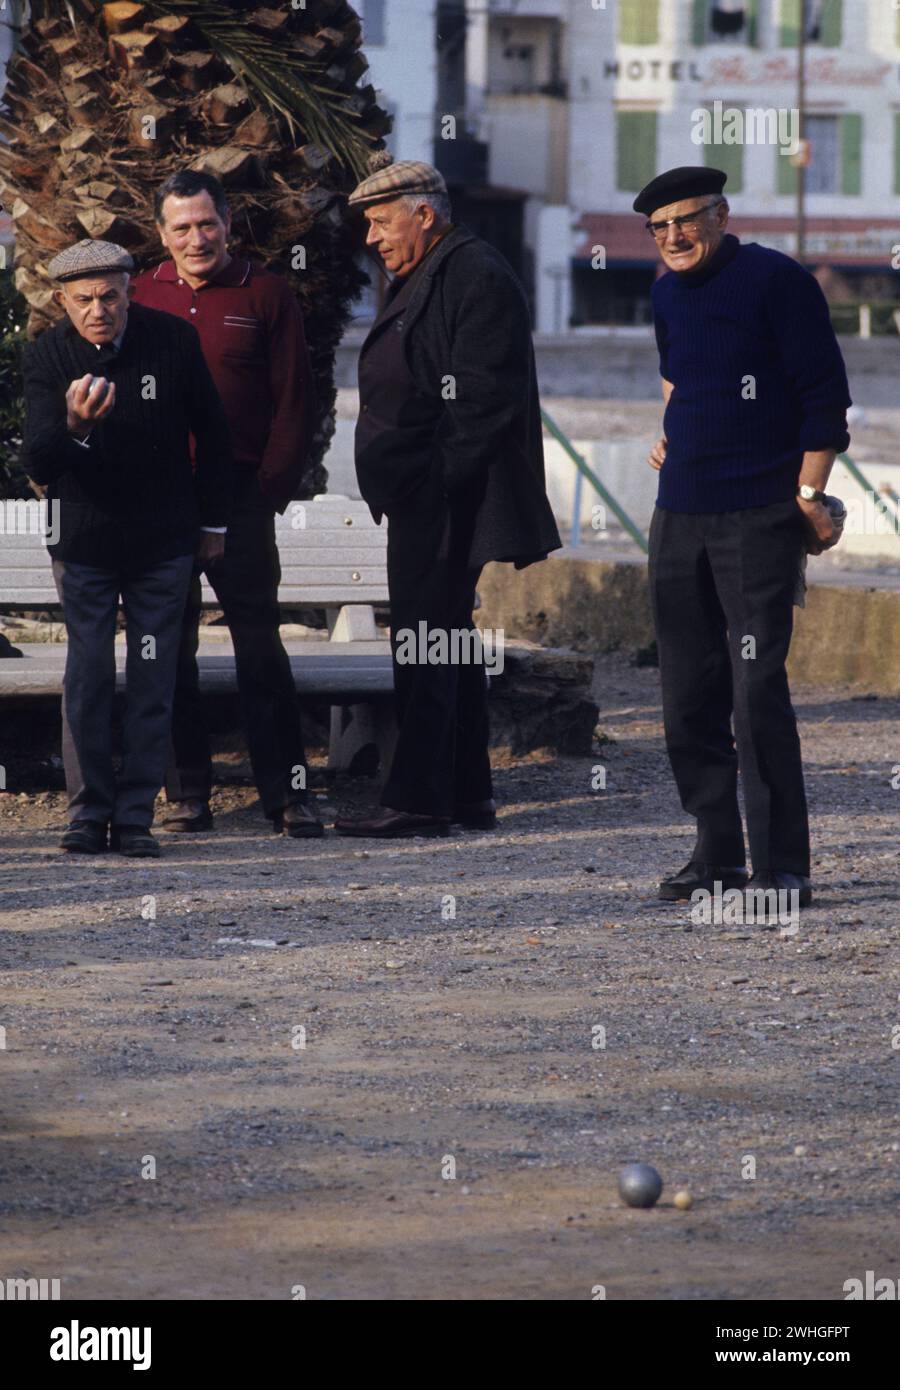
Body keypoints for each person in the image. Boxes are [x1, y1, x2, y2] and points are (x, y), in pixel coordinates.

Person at [637, 166, 851, 908]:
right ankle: (716, 854)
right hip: (679, 514)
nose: (672, 237)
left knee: (756, 689)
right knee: (686, 694)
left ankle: (782, 866)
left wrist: (808, 494)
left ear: (721, 216)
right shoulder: (665, 292)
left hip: (759, 514)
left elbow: (826, 399)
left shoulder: (777, 281)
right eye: (658, 228)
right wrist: (672, 432)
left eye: (685, 221)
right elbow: (675, 375)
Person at [334, 153, 561, 839]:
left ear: (423, 215)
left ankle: (419, 800)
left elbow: (484, 400)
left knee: (425, 645)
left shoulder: (474, 273)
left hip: (442, 499)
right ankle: (467, 795)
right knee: (447, 645)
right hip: (429, 493)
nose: (372, 238)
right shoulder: (435, 269)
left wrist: (432, 482)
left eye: (381, 222)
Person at [22, 239, 232, 857]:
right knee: (85, 675)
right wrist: (77, 430)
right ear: (62, 301)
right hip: (84, 542)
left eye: (110, 296)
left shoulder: (172, 341)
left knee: (153, 675)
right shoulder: (48, 356)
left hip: (161, 541)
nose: (98, 310)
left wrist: (213, 524)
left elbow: (213, 435)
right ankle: (87, 815)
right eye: (83, 299)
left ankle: (136, 816)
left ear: (129, 292)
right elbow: (38, 458)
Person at [131, 169, 322, 839]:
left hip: (241, 499)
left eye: (206, 223)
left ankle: (288, 796)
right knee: (168, 649)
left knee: (260, 650)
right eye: (180, 227)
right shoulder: (137, 295)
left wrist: (266, 493)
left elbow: (296, 405)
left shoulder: (266, 294)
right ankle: (186, 796)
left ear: (228, 224)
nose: (195, 237)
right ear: (162, 234)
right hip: (161, 502)